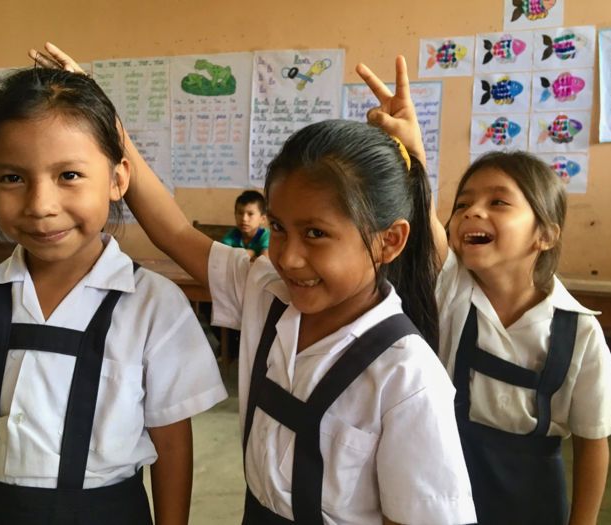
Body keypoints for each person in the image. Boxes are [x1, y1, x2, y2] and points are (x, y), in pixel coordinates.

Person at [31, 42, 476, 525]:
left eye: (316, 234)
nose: (288, 256)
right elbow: (175, 232)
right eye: (279, 227)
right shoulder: (266, 292)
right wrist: (108, 123)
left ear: (389, 241)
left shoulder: (408, 377)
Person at [0, 67, 227, 525]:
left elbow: (171, 445)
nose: (40, 205)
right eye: (12, 178)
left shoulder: (154, 307)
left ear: (117, 179)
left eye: (68, 174)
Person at [358, 56, 611, 525]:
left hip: (534, 501)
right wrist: (413, 152)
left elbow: (593, 440)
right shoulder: (453, 288)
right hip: (446, 481)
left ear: (545, 235)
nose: (471, 212)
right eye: (464, 203)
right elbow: (426, 220)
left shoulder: (578, 331)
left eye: (498, 201)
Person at [221, 190, 270, 260]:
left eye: (250, 214)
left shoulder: (266, 237)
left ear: (262, 219)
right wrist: (250, 253)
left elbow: (264, 261)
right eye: (240, 213)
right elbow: (222, 257)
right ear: (235, 215)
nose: (244, 219)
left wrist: (239, 255)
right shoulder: (231, 235)